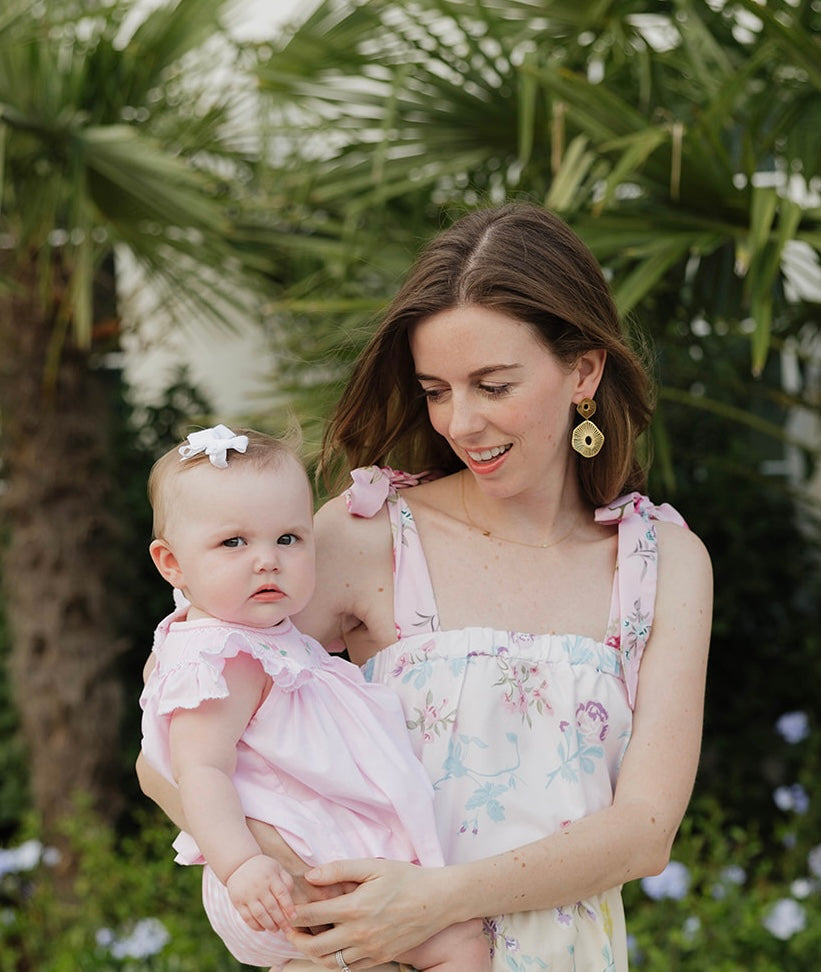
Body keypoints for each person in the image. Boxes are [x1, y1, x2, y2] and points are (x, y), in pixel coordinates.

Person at [138, 202, 712, 972]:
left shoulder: (662, 563)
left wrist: (434, 902)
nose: (461, 422)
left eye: (493, 384)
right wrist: (290, 879)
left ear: (583, 369)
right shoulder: (367, 533)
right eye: (436, 390)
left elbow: (644, 831)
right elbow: (169, 746)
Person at [139, 424, 490, 972]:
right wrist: (243, 866)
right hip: (277, 872)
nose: (267, 560)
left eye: (288, 538)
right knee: (458, 942)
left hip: (306, 859)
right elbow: (199, 770)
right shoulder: (220, 656)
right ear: (172, 564)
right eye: (233, 542)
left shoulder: (266, 637)